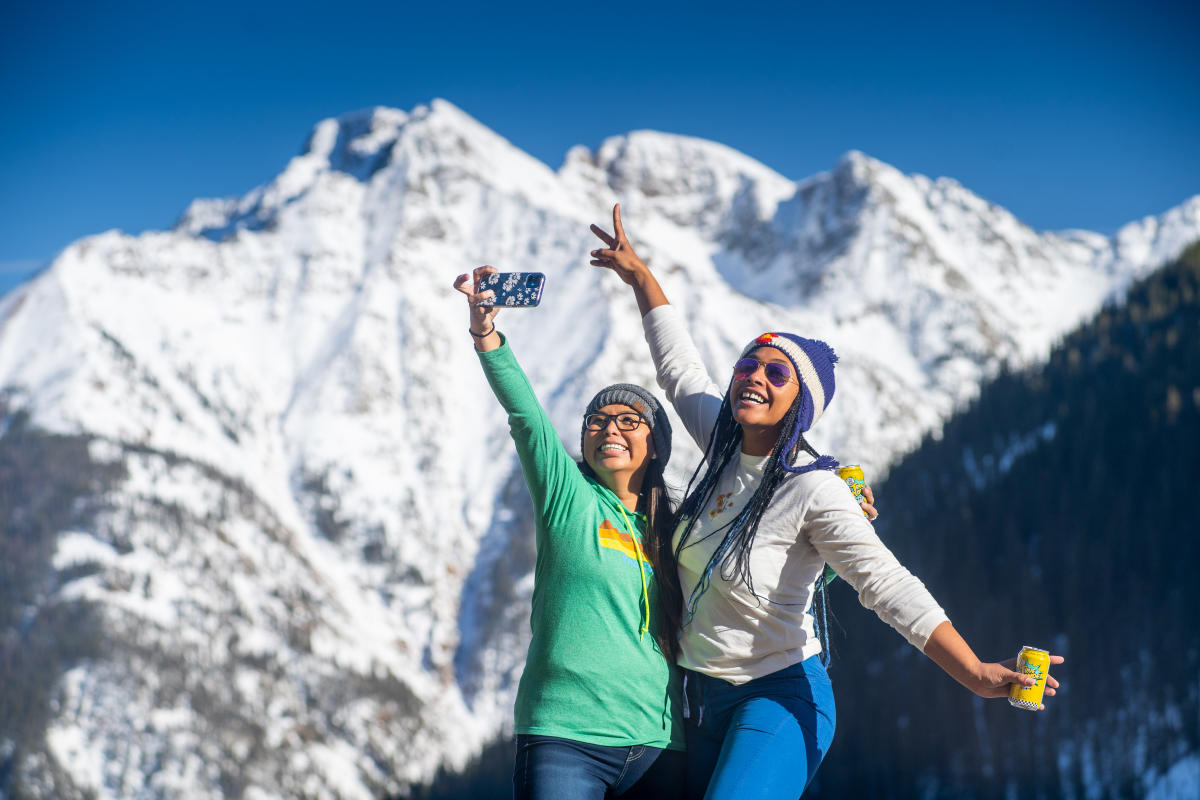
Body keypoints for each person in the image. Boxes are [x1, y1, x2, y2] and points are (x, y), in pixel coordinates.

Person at [588, 205, 1064, 800]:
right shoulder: (721, 444)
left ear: (800, 404)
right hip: (699, 703)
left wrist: (973, 672)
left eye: (776, 373)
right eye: (747, 364)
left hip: (780, 697)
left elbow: (887, 584)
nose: (753, 376)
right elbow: (680, 371)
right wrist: (641, 278)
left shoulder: (814, 489)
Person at [453, 265, 687, 800]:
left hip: (661, 742)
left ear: (656, 445)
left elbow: (753, 575)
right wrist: (485, 331)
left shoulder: (678, 529)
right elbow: (526, 415)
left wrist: (832, 551)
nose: (609, 428)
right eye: (597, 420)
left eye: (629, 421)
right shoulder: (568, 497)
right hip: (564, 736)